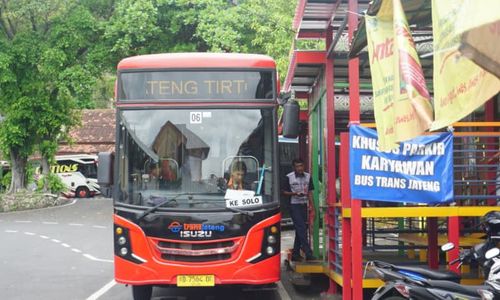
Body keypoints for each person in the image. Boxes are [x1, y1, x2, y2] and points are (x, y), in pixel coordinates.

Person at [282, 158, 316, 261]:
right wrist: (295, 193)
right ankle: (308, 252)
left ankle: (295, 254)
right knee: (301, 227)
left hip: (303, 204)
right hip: (294, 205)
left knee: (301, 229)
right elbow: (284, 192)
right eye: (297, 166)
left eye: (301, 166)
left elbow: (310, 192)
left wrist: (312, 207)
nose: (300, 168)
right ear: (294, 167)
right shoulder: (289, 177)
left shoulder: (308, 177)